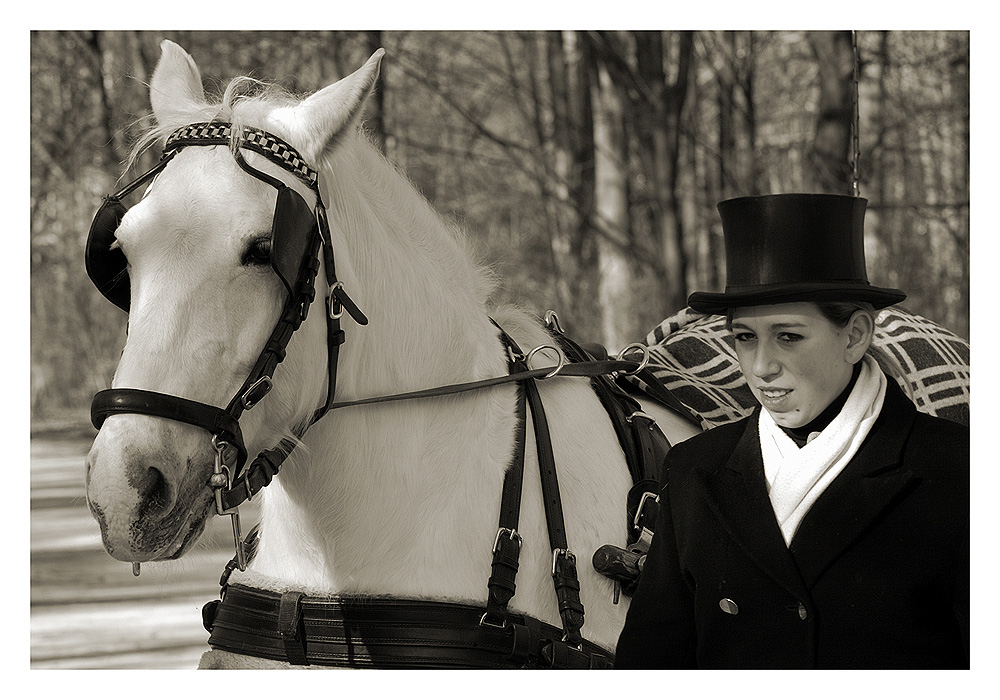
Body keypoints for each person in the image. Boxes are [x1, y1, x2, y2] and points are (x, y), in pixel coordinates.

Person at [615, 193, 969, 669]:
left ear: (855, 335)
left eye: (789, 336)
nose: (760, 367)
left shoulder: (958, 471)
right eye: (744, 337)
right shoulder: (694, 469)